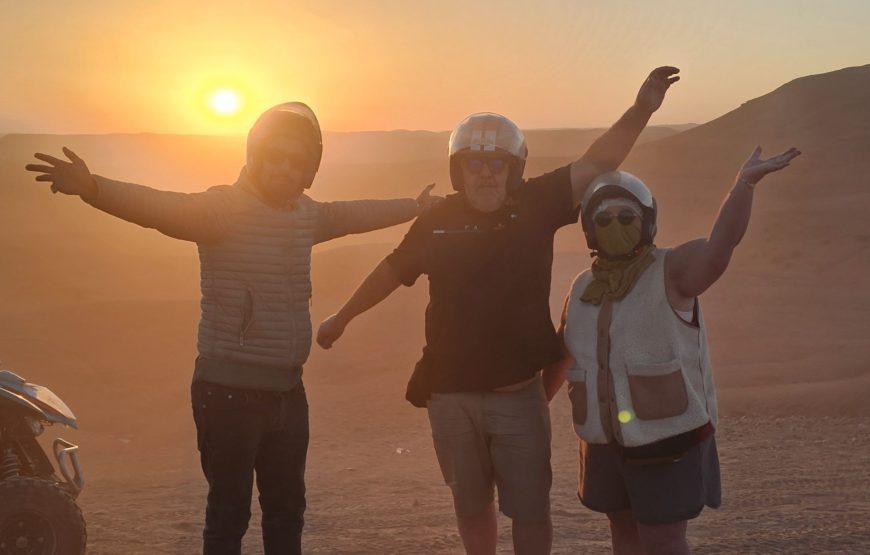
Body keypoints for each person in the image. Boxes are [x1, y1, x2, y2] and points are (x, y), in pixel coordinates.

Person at [24, 102, 438, 555]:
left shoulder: (307, 216)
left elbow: (353, 214)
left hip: (288, 394)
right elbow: (159, 207)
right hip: (227, 395)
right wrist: (93, 188)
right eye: (274, 156)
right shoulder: (222, 210)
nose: (283, 167)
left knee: (287, 511)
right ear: (255, 157)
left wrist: (413, 207)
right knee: (229, 513)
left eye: (295, 160)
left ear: (309, 169)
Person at [316, 67, 680, 555]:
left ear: (515, 169)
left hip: (518, 398)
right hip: (448, 397)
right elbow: (391, 269)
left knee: (529, 510)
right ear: (458, 169)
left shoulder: (535, 204)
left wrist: (642, 110)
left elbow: (598, 163)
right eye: (474, 164)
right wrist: (342, 317)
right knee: (470, 506)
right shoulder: (437, 220)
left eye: (497, 164)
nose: (486, 173)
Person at [556, 146, 800, 554]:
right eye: (604, 219)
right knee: (622, 530)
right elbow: (564, 350)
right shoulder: (583, 286)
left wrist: (744, 185)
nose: (615, 225)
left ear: (646, 221)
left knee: (663, 540)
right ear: (590, 229)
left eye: (626, 217)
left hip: (666, 438)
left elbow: (721, 245)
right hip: (604, 440)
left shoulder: (673, 269)